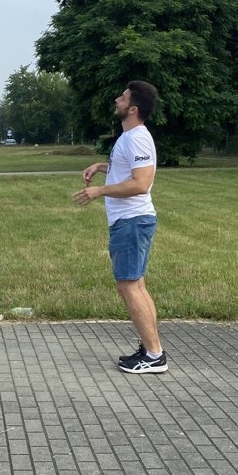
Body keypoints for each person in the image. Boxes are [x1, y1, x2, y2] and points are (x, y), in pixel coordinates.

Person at [74, 81, 167, 375]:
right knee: (136, 284)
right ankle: (152, 349)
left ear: (133, 109)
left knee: (129, 286)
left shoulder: (137, 137)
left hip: (132, 221)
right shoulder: (129, 138)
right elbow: (129, 169)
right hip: (130, 222)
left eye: (123, 97)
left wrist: (99, 191)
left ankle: (153, 356)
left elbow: (141, 183)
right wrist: (102, 166)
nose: (117, 99)